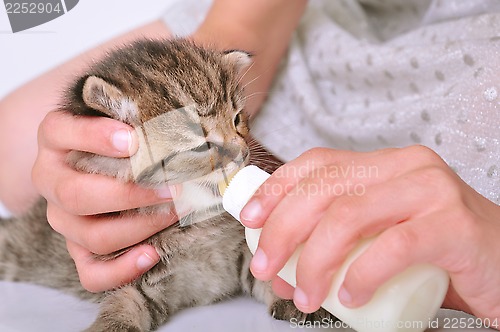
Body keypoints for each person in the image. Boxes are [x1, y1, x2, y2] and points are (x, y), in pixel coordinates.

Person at [0, 0, 498, 324]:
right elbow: (231, 40)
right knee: (14, 148)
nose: (240, 148)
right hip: (318, 32)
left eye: (238, 124)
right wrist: (114, 157)